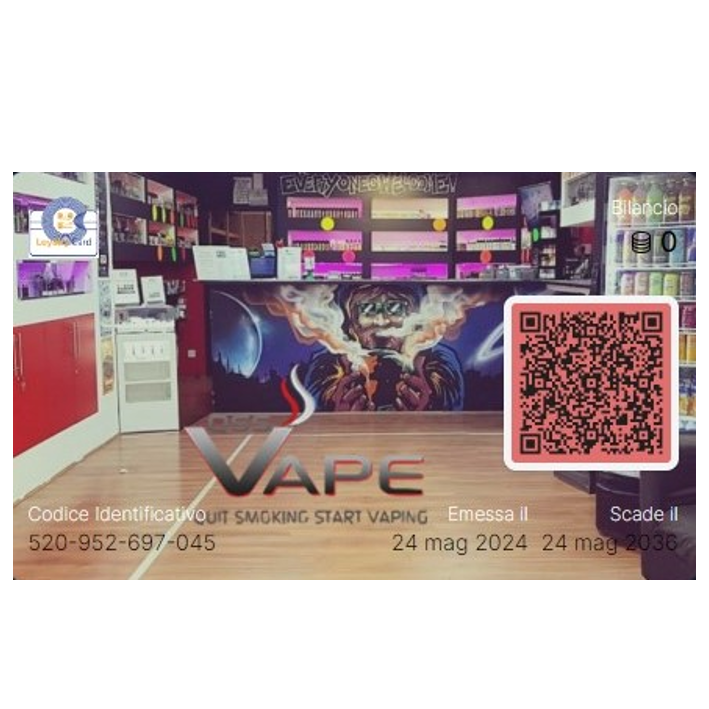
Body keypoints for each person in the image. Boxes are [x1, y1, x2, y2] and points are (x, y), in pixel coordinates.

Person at [304, 284, 464, 411]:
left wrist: (428, 409)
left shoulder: (438, 363)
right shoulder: (327, 366)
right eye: (367, 309)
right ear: (351, 326)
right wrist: (338, 415)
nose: (381, 322)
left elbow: (450, 420)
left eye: (396, 309)